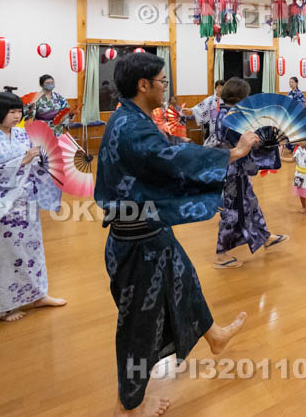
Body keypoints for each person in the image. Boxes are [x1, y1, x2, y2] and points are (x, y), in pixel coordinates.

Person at [95, 53, 255, 415]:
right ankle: (129, 403)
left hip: (148, 230)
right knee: (138, 322)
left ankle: (214, 336)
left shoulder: (131, 117)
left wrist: (222, 152)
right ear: (144, 85)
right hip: (137, 241)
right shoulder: (134, 126)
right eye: (163, 81)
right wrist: (233, 153)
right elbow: (172, 158)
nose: (166, 87)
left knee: (186, 279)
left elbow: (173, 145)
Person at [0, 91, 67, 323]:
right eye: (11, 112)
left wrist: (44, 161)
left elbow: (32, 165)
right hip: (1, 204)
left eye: (18, 111)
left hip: (26, 201)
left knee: (32, 251)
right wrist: (21, 161)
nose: (17, 116)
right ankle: (6, 307)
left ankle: (38, 295)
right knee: (6, 255)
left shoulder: (21, 134)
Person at [208, 77, 289, 268]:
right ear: (242, 97)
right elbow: (248, 144)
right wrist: (274, 143)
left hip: (232, 167)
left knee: (250, 203)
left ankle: (265, 237)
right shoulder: (232, 119)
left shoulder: (224, 113)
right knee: (232, 212)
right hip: (232, 170)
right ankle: (220, 255)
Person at [192, 79, 226, 147]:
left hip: (224, 123)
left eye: (222, 87)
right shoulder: (210, 99)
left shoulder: (227, 99)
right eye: (219, 87)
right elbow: (200, 108)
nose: (220, 89)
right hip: (212, 123)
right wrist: (191, 109)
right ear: (215, 88)